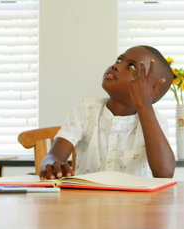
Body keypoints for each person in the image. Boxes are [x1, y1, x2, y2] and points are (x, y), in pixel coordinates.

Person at [40, 45, 176, 180]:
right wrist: (52, 164)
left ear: (152, 90)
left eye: (132, 66)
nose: (116, 66)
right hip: (87, 200)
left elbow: (164, 173)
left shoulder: (157, 121)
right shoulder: (86, 110)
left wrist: (145, 105)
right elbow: (53, 156)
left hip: (136, 201)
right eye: (119, 60)